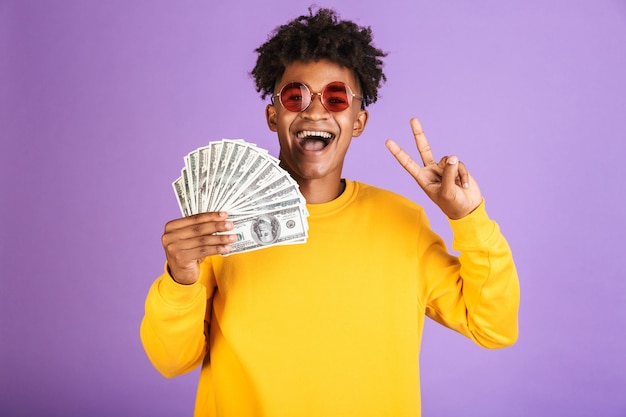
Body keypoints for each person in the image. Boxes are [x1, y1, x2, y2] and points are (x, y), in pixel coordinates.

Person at [140, 7, 520, 417]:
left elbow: (492, 327)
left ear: (358, 121)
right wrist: (180, 278)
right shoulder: (217, 227)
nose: (315, 111)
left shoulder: (402, 223)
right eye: (295, 96)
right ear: (274, 115)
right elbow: (171, 360)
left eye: (336, 97)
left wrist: (470, 219)